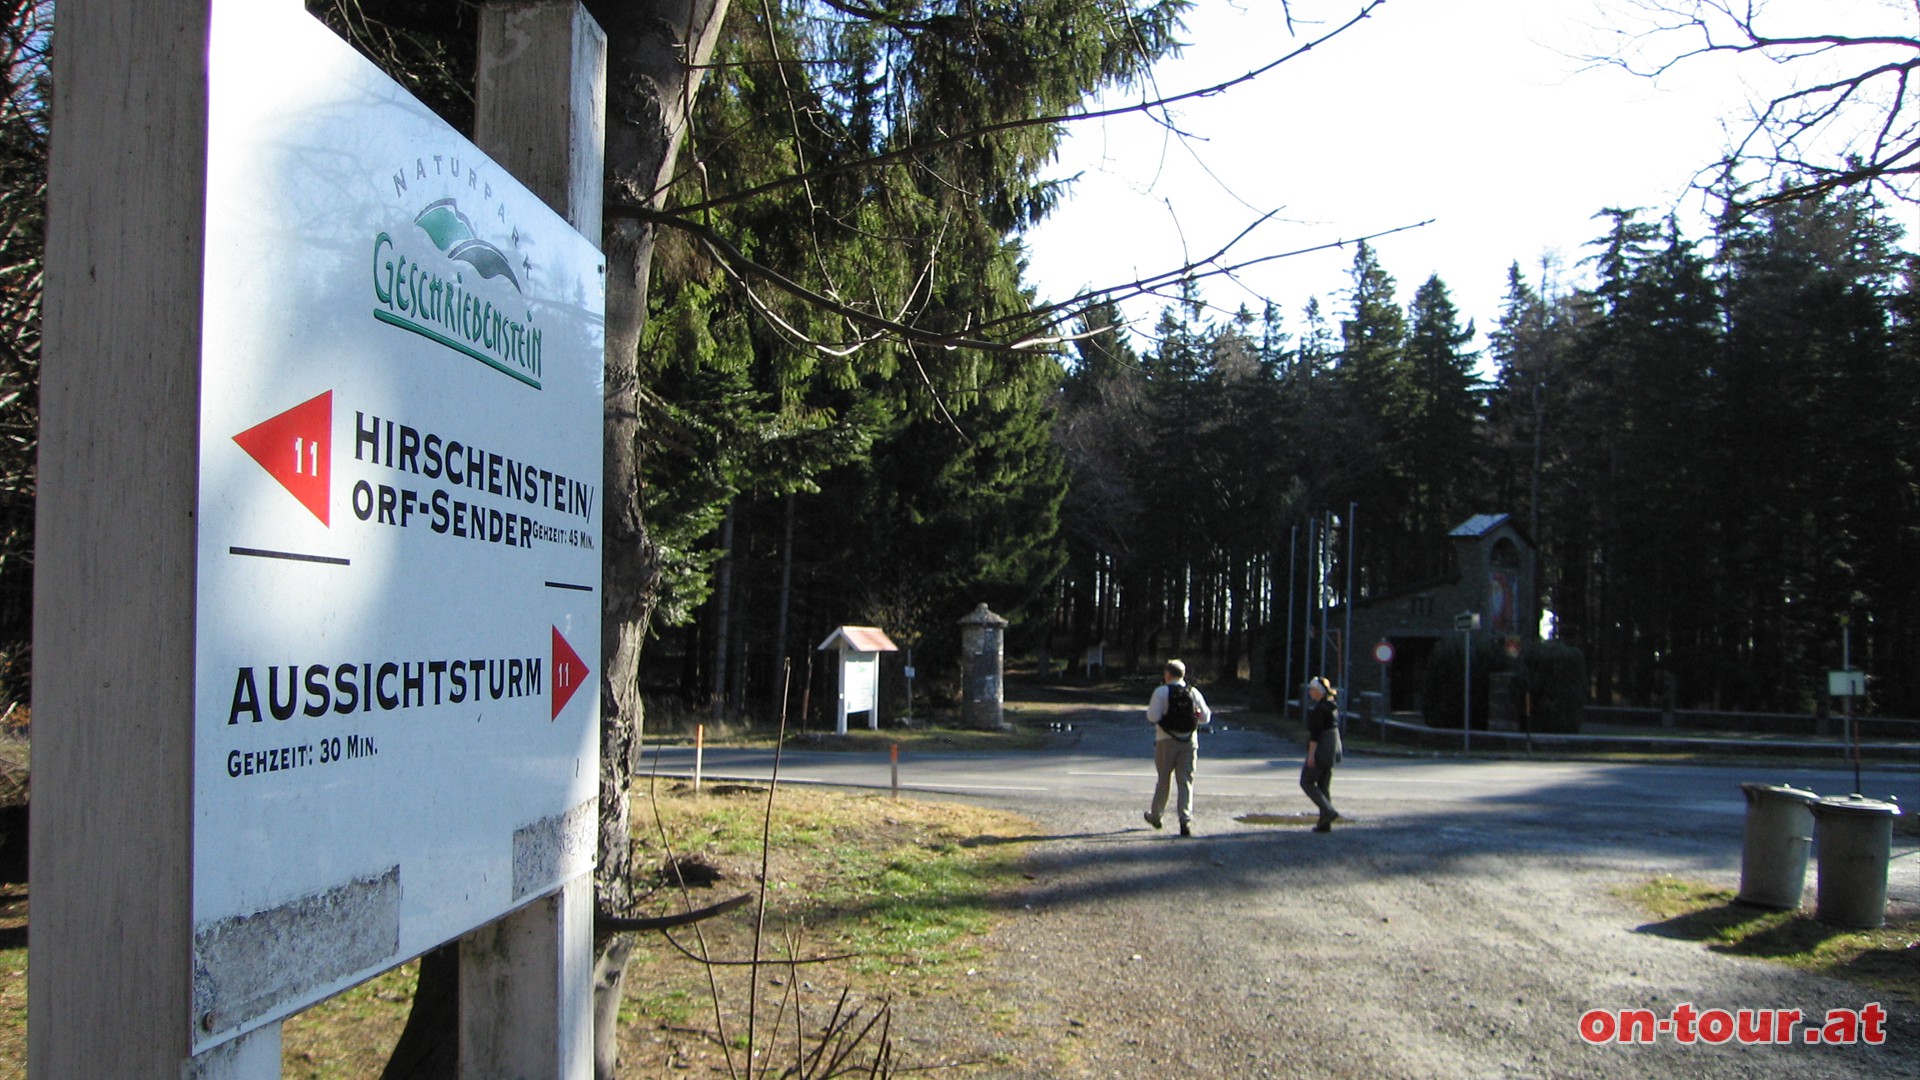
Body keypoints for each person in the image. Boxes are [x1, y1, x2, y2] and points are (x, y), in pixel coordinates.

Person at [1143, 658, 1211, 836]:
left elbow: (1152, 716)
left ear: (1167, 674)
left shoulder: (1161, 692)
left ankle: (1156, 815)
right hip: (1189, 741)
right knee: (1185, 781)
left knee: (1163, 779)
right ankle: (1185, 820)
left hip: (1165, 740)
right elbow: (1206, 717)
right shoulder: (1193, 692)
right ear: (1183, 674)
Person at [1301, 676, 1343, 831]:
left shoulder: (1319, 710)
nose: (1309, 692)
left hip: (1322, 748)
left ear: (1318, 691)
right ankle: (1325, 824)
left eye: (1312, 689)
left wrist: (1311, 755)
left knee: (1307, 781)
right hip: (1333, 747)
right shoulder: (1332, 706)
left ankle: (1329, 811)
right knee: (1324, 785)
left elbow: (1316, 734)